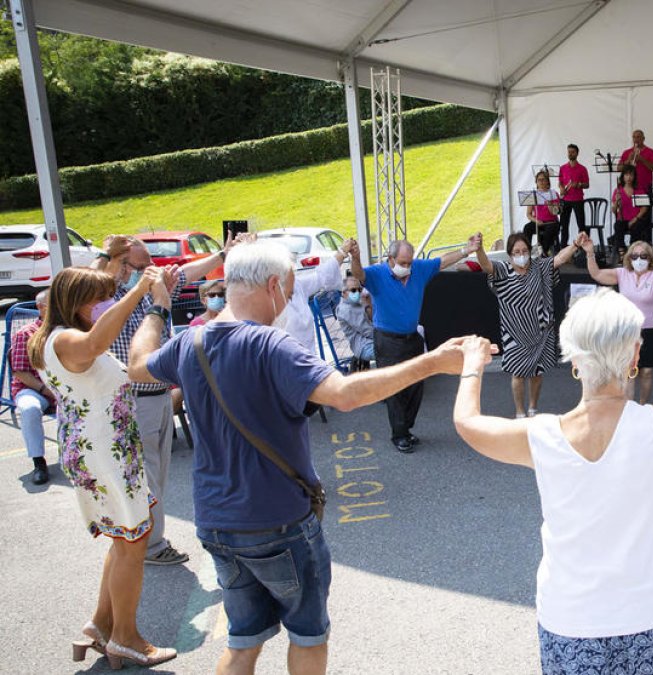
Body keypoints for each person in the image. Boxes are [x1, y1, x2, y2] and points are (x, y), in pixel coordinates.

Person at [125, 239, 476, 675]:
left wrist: (158, 308)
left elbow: (137, 364)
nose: (288, 302)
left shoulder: (190, 343)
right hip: (278, 521)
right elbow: (345, 394)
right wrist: (432, 362)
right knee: (308, 637)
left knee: (242, 641)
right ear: (273, 286)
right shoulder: (271, 345)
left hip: (216, 521)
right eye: (290, 291)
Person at [451, 279, 653, 674]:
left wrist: (472, 366)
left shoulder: (540, 436)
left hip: (568, 619)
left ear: (574, 359)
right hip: (643, 614)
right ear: (635, 354)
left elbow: (468, 423)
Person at [30, 265, 177, 668]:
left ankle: (101, 624)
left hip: (100, 449)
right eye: (100, 298)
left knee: (123, 541)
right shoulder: (68, 340)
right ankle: (126, 639)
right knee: (133, 544)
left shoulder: (53, 337)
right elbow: (98, 341)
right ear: (76, 303)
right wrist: (141, 292)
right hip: (105, 453)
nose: (106, 304)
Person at [94, 234, 239, 566]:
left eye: (151, 265)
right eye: (141, 266)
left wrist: (221, 255)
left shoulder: (152, 291)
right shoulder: (111, 296)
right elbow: (92, 280)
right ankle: (150, 545)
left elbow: (184, 274)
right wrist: (107, 259)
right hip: (134, 399)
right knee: (146, 474)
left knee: (156, 474)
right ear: (120, 265)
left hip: (157, 395)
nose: (151, 271)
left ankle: (145, 540)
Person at [350, 234, 481, 452]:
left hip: (412, 338)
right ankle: (399, 434)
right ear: (390, 259)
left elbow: (441, 261)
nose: (407, 267)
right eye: (402, 263)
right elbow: (358, 274)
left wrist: (466, 250)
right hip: (387, 340)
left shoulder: (418, 269)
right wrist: (355, 257)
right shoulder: (377, 274)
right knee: (394, 388)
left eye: (409, 263)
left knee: (416, 386)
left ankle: (406, 428)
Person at [473, 232, 579, 417]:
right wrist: (479, 248)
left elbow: (560, 259)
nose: (521, 255)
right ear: (509, 254)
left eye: (524, 251)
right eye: (516, 252)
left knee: (537, 373)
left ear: (530, 251)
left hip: (540, 331)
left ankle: (532, 408)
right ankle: (520, 412)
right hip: (514, 334)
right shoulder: (503, 270)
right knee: (518, 374)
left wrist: (576, 244)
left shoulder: (539, 267)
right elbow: (486, 265)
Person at [580, 235, 653, 403]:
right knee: (629, 371)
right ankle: (629, 408)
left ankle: (643, 406)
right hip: (628, 330)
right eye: (634, 256)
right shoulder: (622, 273)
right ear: (629, 258)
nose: (638, 260)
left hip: (651, 328)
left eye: (643, 256)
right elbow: (596, 274)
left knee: (646, 371)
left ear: (649, 258)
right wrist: (590, 253)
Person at [280, 237, 358, 354]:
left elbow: (322, 276)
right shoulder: (267, 302)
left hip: (307, 357)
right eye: (291, 271)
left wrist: (342, 252)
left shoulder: (297, 285)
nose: (294, 274)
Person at [10, 290, 54, 485]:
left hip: (63, 387)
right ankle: (39, 462)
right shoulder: (26, 333)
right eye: (53, 304)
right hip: (34, 388)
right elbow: (20, 372)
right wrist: (46, 390)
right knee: (29, 408)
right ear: (40, 308)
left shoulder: (67, 330)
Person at [608, 164, 650, 261]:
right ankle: (622, 252)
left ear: (634, 177)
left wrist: (635, 219)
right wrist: (616, 202)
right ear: (623, 176)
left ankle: (633, 252)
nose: (629, 177)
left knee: (636, 227)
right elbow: (614, 210)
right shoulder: (618, 191)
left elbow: (644, 208)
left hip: (636, 219)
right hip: (623, 220)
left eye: (631, 175)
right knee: (617, 226)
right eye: (626, 175)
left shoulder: (639, 190)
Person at [335, 275, 375, 367]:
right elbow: (367, 331)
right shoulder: (346, 309)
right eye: (353, 290)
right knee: (395, 350)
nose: (357, 293)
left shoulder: (357, 303)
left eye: (359, 290)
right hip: (365, 346)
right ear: (344, 292)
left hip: (371, 341)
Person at [557, 144, 590, 249]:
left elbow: (587, 184)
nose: (570, 154)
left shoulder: (582, 169)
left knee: (581, 225)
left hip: (578, 200)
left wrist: (578, 184)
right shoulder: (562, 168)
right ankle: (563, 248)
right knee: (564, 225)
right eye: (569, 152)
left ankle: (582, 248)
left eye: (572, 152)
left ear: (577, 153)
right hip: (565, 200)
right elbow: (560, 182)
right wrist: (561, 188)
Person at [524, 170, 562, 254]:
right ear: (536, 182)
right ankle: (527, 252)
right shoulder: (533, 194)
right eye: (539, 180)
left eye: (543, 179)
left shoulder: (553, 194)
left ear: (547, 181)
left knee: (549, 230)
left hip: (551, 222)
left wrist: (550, 205)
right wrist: (536, 220)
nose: (541, 182)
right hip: (538, 221)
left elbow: (556, 212)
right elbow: (528, 214)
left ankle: (543, 252)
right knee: (527, 228)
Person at [619, 129, 653, 195]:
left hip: (645, 187)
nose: (636, 139)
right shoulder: (626, 152)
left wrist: (642, 159)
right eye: (634, 137)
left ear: (643, 138)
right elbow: (619, 168)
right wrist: (629, 160)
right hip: (629, 188)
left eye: (638, 137)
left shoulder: (651, 152)